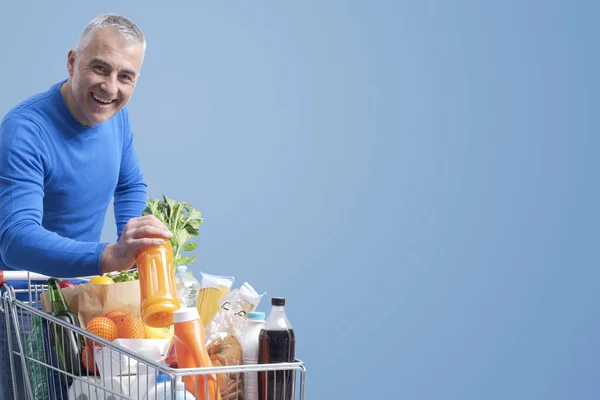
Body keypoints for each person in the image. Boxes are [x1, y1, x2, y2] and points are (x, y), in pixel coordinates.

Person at [0, 14, 172, 399]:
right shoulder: (25, 130)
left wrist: (134, 247)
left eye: (125, 76)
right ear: (72, 61)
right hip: (16, 308)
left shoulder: (116, 117)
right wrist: (109, 256)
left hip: (77, 303)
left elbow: (129, 182)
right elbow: (15, 239)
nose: (110, 88)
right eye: (100, 68)